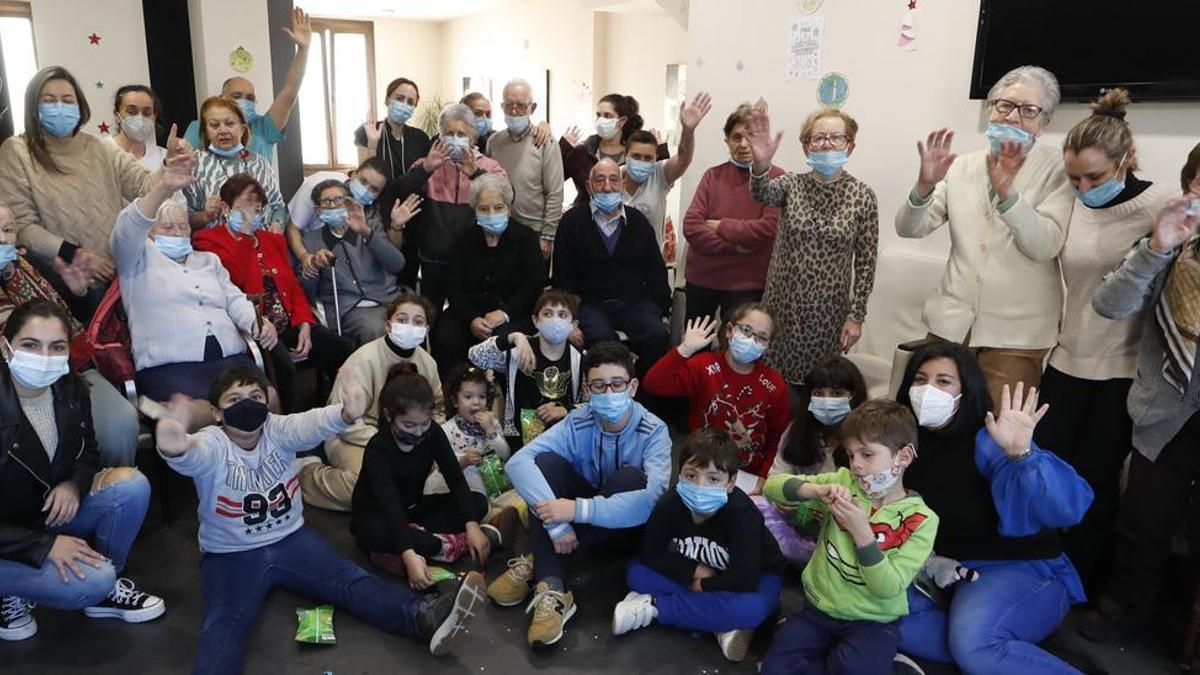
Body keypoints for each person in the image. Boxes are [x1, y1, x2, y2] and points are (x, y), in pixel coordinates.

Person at [156, 364, 487, 673]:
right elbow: (190, 455)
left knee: (351, 581)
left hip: (291, 539)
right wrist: (173, 443)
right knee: (225, 623)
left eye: (256, 397)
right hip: (230, 554)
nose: (248, 405)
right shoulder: (212, 443)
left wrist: (346, 412)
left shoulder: (277, 428)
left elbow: (311, 423)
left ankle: (421, 617)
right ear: (216, 412)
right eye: (235, 399)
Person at [1034, 88, 1169, 598]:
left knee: (1095, 480)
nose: (1083, 186)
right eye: (1074, 178)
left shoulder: (1156, 205)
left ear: (1125, 159)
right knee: (1043, 471)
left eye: (1093, 177)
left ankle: (1080, 583)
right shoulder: (1072, 202)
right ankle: (1034, 570)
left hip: (1122, 368)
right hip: (1066, 359)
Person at [894, 341, 1093, 674]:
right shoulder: (905, 440)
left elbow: (1068, 508)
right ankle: (1004, 652)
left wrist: (1023, 455)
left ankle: (991, 647)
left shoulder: (990, 438)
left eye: (943, 381)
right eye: (920, 379)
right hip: (945, 570)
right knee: (874, 614)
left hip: (1019, 569)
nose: (928, 390)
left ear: (966, 389)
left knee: (973, 644)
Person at [896, 65, 1073, 408]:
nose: (1012, 117)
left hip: (1017, 336)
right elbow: (910, 228)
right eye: (1004, 105)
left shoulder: (1059, 169)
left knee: (998, 431)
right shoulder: (962, 166)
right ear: (990, 108)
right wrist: (923, 187)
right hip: (950, 324)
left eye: (1028, 110)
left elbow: (1046, 244)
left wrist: (1008, 197)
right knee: (930, 419)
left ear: (1044, 122)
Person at [1076, 176, 1200, 641]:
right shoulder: (1166, 240)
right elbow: (1109, 304)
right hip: (1166, 408)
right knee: (1144, 521)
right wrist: (1157, 246)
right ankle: (1121, 614)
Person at [487, 341, 671, 649]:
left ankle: (540, 563)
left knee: (631, 478)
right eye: (599, 386)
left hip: (628, 531)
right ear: (586, 390)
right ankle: (554, 590)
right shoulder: (578, 420)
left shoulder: (654, 431)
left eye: (617, 384)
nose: (609, 394)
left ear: (633, 386)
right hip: (577, 522)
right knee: (545, 463)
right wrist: (557, 525)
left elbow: (649, 502)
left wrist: (574, 512)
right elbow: (519, 462)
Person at [0, 300, 163, 642]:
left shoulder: (70, 388)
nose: (44, 356)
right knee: (92, 581)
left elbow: (86, 452)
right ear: (5, 346)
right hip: (11, 535)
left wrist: (74, 485)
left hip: (43, 514)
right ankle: (8, 591)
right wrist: (41, 546)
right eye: (30, 345)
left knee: (131, 486)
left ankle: (105, 586)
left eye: (56, 347)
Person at [760, 399, 937, 675]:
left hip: (874, 620)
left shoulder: (922, 520)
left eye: (867, 455)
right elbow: (772, 488)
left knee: (854, 666)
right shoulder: (843, 481)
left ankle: (885, 663)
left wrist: (862, 535)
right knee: (774, 669)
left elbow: (888, 588)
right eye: (851, 454)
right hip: (819, 608)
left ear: (902, 457)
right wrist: (812, 491)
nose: (856, 465)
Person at [0, 66, 184, 318]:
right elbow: (22, 225)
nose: (60, 107)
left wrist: (168, 166)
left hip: (119, 271)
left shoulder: (101, 147)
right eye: (49, 100)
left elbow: (144, 187)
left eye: (67, 100)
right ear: (34, 106)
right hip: (64, 279)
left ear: (80, 105)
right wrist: (77, 255)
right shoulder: (17, 151)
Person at [111, 141, 276, 420]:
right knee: (199, 415)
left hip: (230, 360)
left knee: (268, 399)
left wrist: (255, 321)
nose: (177, 233)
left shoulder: (207, 261)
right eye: (167, 227)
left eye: (182, 226)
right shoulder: (136, 258)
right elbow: (126, 231)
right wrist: (163, 187)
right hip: (170, 367)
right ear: (150, 232)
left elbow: (234, 297)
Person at [612, 427, 783, 664]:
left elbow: (745, 578)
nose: (701, 485)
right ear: (679, 473)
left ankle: (654, 609)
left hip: (754, 577)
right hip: (705, 575)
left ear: (731, 483)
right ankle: (719, 623)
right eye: (691, 475)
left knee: (753, 608)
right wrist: (693, 571)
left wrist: (702, 585)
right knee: (637, 573)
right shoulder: (670, 503)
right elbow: (651, 552)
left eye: (713, 479)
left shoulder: (744, 514)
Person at [194, 174, 353, 412]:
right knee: (284, 366)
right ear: (226, 208)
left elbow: (292, 287)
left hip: (288, 320)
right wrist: (244, 238)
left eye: (257, 210)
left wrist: (304, 324)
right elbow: (235, 281)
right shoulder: (207, 241)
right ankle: (286, 427)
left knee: (342, 349)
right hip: (254, 326)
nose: (252, 216)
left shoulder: (272, 240)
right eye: (244, 208)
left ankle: (334, 409)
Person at [747, 101, 879, 386]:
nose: (827, 144)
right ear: (807, 146)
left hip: (828, 314)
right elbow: (761, 193)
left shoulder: (863, 195)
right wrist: (761, 164)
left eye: (836, 137)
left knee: (818, 386)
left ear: (850, 146)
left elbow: (867, 263)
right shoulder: (790, 184)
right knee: (771, 383)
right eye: (818, 138)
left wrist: (856, 316)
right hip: (781, 306)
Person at [352, 363, 515, 586]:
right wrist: (410, 554)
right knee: (390, 536)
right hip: (378, 515)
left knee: (477, 502)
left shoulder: (433, 434)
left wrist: (472, 525)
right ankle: (441, 546)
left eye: (425, 424)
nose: (419, 432)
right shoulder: (378, 449)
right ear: (389, 416)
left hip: (414, 511)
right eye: (409, 425)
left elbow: (455, 479)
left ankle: (423, 544)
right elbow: (389, 503)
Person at [0, 205, 139, 467]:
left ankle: (108, 494)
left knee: (120, 425)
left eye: (8, 230)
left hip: (71, 368)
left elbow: (76, 315)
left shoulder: (30, 264)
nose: (2, 238)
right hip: (13, 386)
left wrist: (77, 292)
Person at [297, 293, 444, 512]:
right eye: (402, 320)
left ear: (426, 330)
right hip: (354, 437)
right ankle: (306, 474)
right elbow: (343, 418)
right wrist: (387, 443)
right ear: (388, 325)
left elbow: (438, 408)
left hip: (411, 438)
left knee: (425, 484)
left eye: (418, 322)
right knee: (364, 488)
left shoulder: (428, 363)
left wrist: (425, 438)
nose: (410, 326)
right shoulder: (364, 358)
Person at [643, 306, 790, 495]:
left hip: (747, 475)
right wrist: (684, 350)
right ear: (730, 330)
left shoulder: (774, 384)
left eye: (761, 337)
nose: (751, 339)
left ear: (768, 345)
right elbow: (653, 383)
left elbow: (777, 438)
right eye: (746, 330)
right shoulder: (703, 366)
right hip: (702, 467)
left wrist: (764, 476)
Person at [389, 103, 508, 312]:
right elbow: (400, 193)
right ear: (440, 136)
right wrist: (426, 169)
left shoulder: (490, 166)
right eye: (449, 133)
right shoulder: (425, 164)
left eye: (461, 133)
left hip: (472, 258)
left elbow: (506, 196)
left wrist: (475, 174)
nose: (455, 138)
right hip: (433, 258)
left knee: (468, 313)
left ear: (472, 138)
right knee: (430, 313)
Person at [552, 159, 671, 368]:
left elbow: (656, 272)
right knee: (601, 339)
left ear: (622, 184)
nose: (607, 187)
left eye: (613, 180)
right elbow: (563, 278)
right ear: (589, 187)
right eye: (600, 180)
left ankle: (644, 395)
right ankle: (610, 391)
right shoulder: (572, 222)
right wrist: (567, 320)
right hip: (590, 305)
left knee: (657, 335)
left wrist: (662, 312)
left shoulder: (638, 222)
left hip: (635, 303)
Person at [752, 355, 867, 565]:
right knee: (754, 507)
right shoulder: (796, 431)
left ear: (854, 396)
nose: (827, 400)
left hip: (840, 530)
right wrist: (782, 498)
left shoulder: (866, 440)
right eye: (818, 394)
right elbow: (775, 480)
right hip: (796, 524)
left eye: (837, 393)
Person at [683, 103, 784, 324]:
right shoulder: (713, 176)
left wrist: (721, 226)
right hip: (702, 279)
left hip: (746, 283)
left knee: (739, 348)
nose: (743, 144)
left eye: (750, 137)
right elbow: (691, 226)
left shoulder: (776, 178)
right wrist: (737, 245)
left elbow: (768, 229)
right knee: (695, 347)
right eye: (736, 137)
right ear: (727, 141)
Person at [432, 173, 545, 370]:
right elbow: (454, 286)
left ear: (509, 209)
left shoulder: (525, 238)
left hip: (513, 313)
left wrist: (505, 313)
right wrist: (472, 318)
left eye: (498, 207)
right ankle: (456, 393)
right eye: (484, 209)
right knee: (445, 336)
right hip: (471, 313)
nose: (491, 213)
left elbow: (534, 285)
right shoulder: (464, 239)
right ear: (475, 210)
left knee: (503, 340)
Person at [183, 7, 312, 160]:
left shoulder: (264, 127)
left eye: (250, 98)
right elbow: (183, 166)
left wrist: (303, 50)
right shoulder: (199, 127)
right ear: (221, 97)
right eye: (237, 96)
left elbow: (289, 93)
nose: (244, 101)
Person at [299, 177, 411, 347]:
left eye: (339, 200)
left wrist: (366, 231)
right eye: (326, 201)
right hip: (350, 309)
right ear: (318, 209)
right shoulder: (311, 241)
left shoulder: (368, 227)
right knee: (375, 328)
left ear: (349, 203)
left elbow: (397, 264)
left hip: (387, 300)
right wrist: (314, 264)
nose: (334, 205)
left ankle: (411, 372)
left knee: (414, 319)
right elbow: (308, 290)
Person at [467, 289, 584, 448]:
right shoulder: (519, 351)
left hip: (564, 442)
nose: (555, 320)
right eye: (548, 314)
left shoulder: (580, 359)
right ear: (536, 321)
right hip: (521, 443)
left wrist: (566, 410)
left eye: (562, 315)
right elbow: (476, 356)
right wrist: (512, 337)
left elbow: (591, 404)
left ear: (573, 324)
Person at [287, 157, 417, 277]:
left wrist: (396, 226)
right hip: (316, 258)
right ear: (354, 173)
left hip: (360, 274)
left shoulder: (371, 211)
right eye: (363, 181)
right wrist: (305, 257)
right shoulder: (319, 185)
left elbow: (391, 256)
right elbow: (293, 228)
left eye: (374, 190)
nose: (366, 190)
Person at [487, 78, 565, 259]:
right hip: (499, 227)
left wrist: (547, 235)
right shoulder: (494, 142)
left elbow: (554, 192)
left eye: (520, 106)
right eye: (509, 105)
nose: (514, 112)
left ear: (533, 107)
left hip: (534, 231)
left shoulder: (545, 142)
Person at [621, 92, 712, 246]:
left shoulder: (659, 175)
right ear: (626, 154)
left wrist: (688, 131)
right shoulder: (611, 178)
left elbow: (683, 159)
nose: (642, 162)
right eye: (636, 156)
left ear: (656, 157)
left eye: (648, 158)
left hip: (648, 265)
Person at [184, 98, 288, 231]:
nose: (223, 130)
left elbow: (279, 207)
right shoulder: (196, 163)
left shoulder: (260, 163)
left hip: (259, 245)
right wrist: (206, 216)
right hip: (215, 248)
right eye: (215, 125)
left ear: (242, 129)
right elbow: (184, 218)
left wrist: (276, 224)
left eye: (230, 123)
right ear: (206, 132)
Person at [432, 363, 520, 512]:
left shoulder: (492, 423)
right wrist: (464, 462)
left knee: (517, 503)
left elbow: (504, 454)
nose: (476, 402)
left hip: (497, 485)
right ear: (455, 401)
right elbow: (443, 468)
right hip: (470, 489)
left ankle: (503, 516)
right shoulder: (447, 430)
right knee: (479, 508)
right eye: (468, 397)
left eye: (482, 396)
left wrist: (491, 431)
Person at [559, 93, 669, 210]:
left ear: (621, 122)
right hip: (585, 220)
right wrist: (562, 148)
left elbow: (658, 180)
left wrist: (660, 152)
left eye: (607, 116)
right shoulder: (583, 151)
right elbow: (554, 178)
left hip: (625, 219)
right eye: (598, 115)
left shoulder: (634, 154)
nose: (601, 120)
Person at [355, 77, 432, 179]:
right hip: (380, 194)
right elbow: (363, 178)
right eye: (399, 98)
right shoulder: (368, 131)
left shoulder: (420, 137)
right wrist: (372, 144)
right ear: (387, 101)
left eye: (410, 102)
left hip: (412, 194)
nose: (404, 105)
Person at [108, 84, 171, 173]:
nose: (140, 118)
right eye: (131, 112)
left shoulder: (164, 158)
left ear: (154, 117)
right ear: (117, 115)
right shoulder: (101, 152)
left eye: (147, 113)